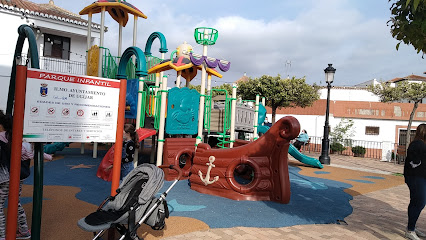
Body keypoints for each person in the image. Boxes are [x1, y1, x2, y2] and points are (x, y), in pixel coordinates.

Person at [0, 111, 31, 240]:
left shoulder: (0, 137)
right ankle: (24, 230)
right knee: (15, 202)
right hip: (17, 176)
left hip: (4, 178)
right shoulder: (13, 136)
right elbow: (27, 154)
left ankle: (1, 235)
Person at [404, 124, 426, 240]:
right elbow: (413, 161)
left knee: (415, 202)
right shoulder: (418, 144)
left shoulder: (420, 144)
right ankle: (410, 230)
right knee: (420, 202)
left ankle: (411, 227)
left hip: (419, 177)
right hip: (416, 177)